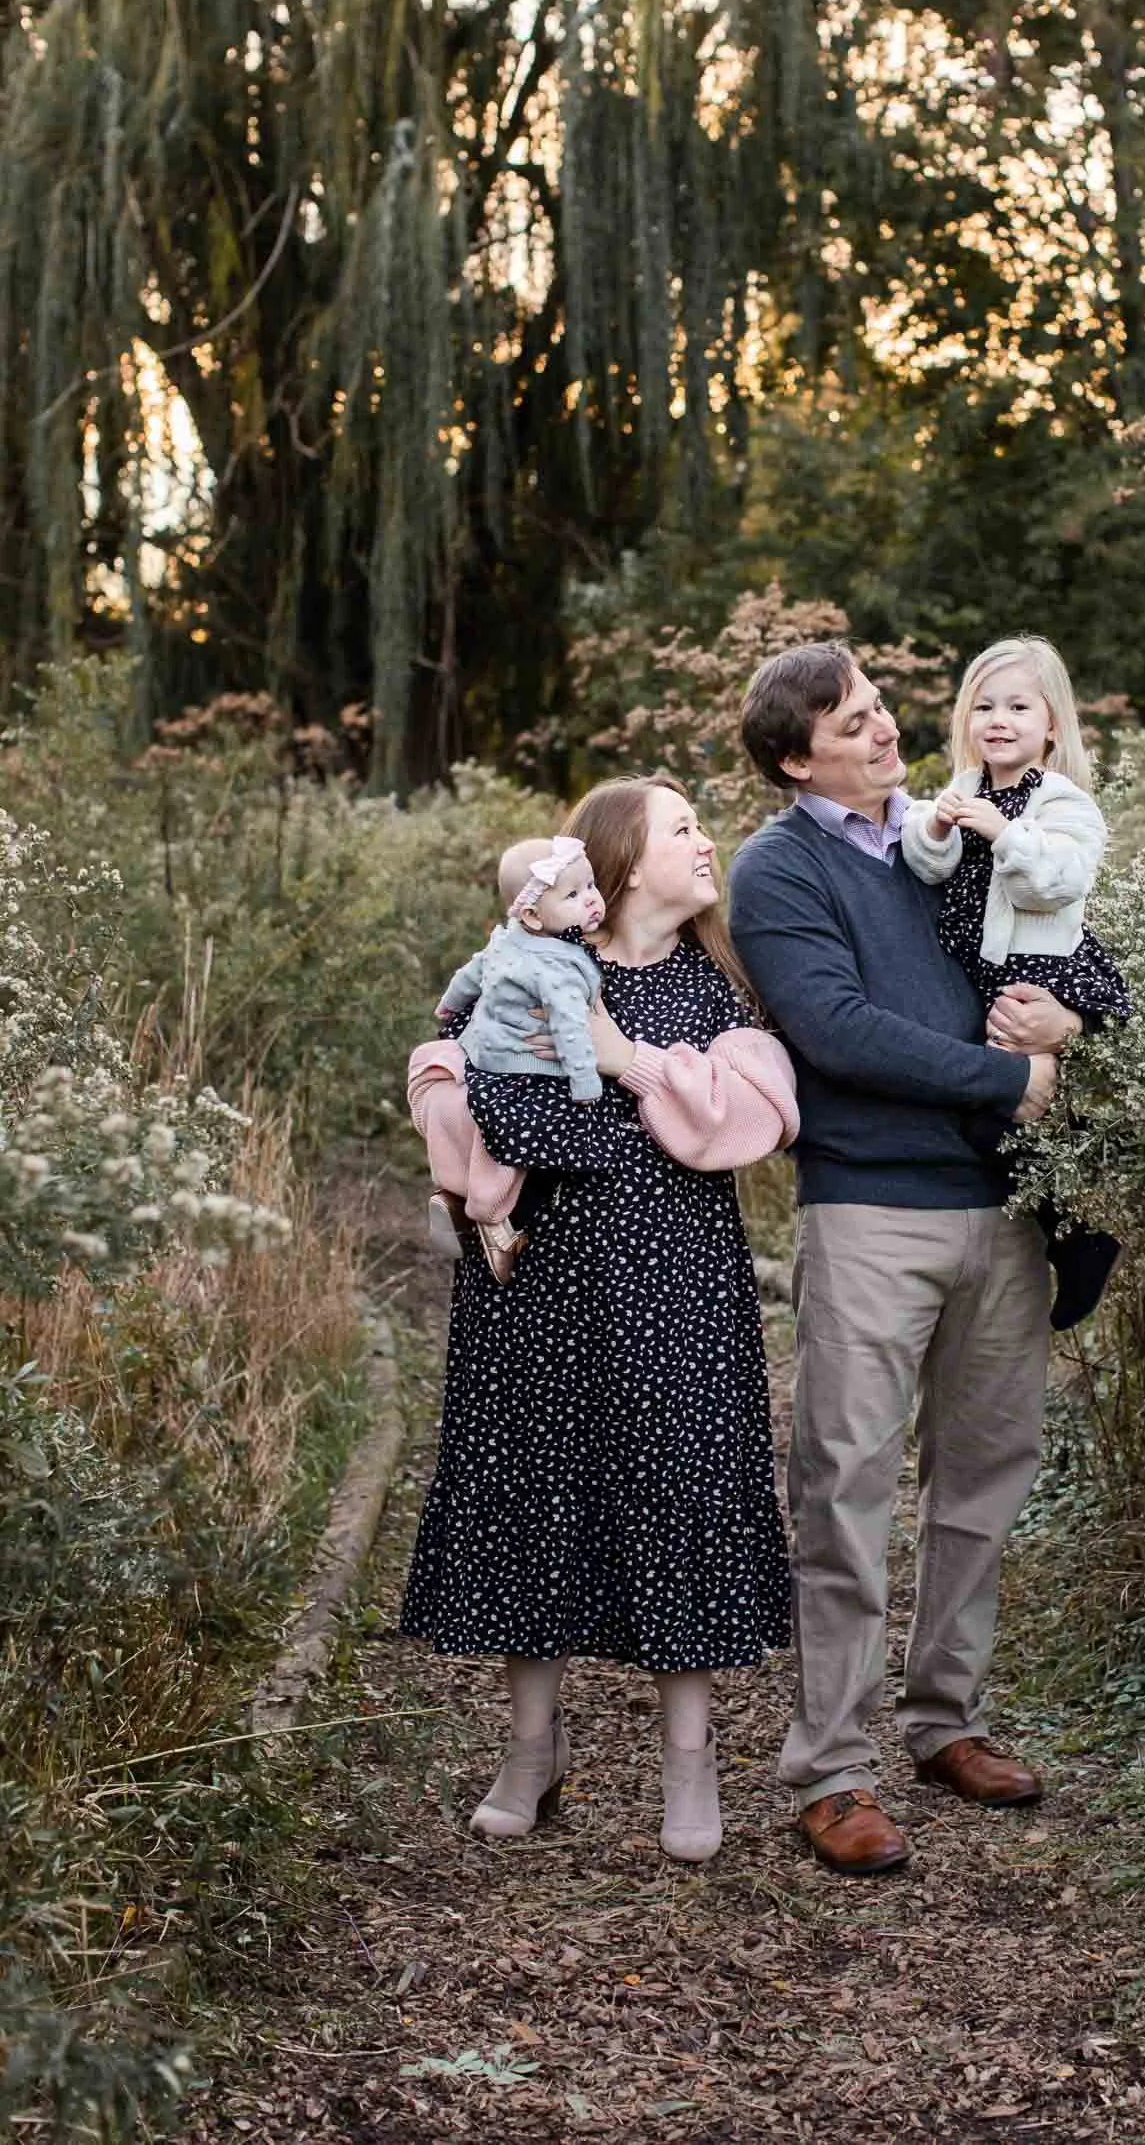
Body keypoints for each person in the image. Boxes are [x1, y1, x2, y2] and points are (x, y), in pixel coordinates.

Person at [728, 643, 1084, 1877]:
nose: (884, 733)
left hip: (1005, 1210)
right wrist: (1007, 1078)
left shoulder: (962, 829)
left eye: (881, 710)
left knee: (983, 1482)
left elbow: (1061, 948)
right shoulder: (778, 870)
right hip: (872, 1207)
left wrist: (1070, 1022)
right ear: (793, 758)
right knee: (844, 1486)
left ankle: (946, 1720)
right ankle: (830, 1767)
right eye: (851, 724)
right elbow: (835, 1030)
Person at [400, 777, 797, 1865]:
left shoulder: (713, 985)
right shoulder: (532, 962)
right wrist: (465, 1119)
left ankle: (689, 1758)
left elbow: (762, 1110)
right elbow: (439, 1056)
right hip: (533, 1285)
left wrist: (624, 1060)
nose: (703, 839)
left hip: (673, 1286)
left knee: (676, 1487)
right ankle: (532, 1749)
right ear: (616, 861)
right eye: (680, 827)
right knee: (531, 1488)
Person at [900, 635, 1131, 1330]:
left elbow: (1054, 883)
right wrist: (936, 827)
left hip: (1038, 967)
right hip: (975, 972)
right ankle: (1061, 1226)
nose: (998, 720)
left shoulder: (1061, 802)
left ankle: (1079, 1237)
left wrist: (1004, 834)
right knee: (993, 1116)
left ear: (1050, 724)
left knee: (1027, 1110)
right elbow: (929, 865)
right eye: (984, 707)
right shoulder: (963, 790)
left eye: (1018, 707)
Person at [414, 834, 607, 1284]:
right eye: (574, 895)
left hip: (483, 1062)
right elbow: (569, 1029)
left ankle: (457, 1197)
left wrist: (447, 1005)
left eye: (592, 886)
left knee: (493, 1137)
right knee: (536, 1153)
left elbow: (470, 975)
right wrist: (584, 1083)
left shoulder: (504, 942)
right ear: (534, 915)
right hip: (528, 1071)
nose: (592, 901)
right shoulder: (557, 968)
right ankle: (492, 1220)